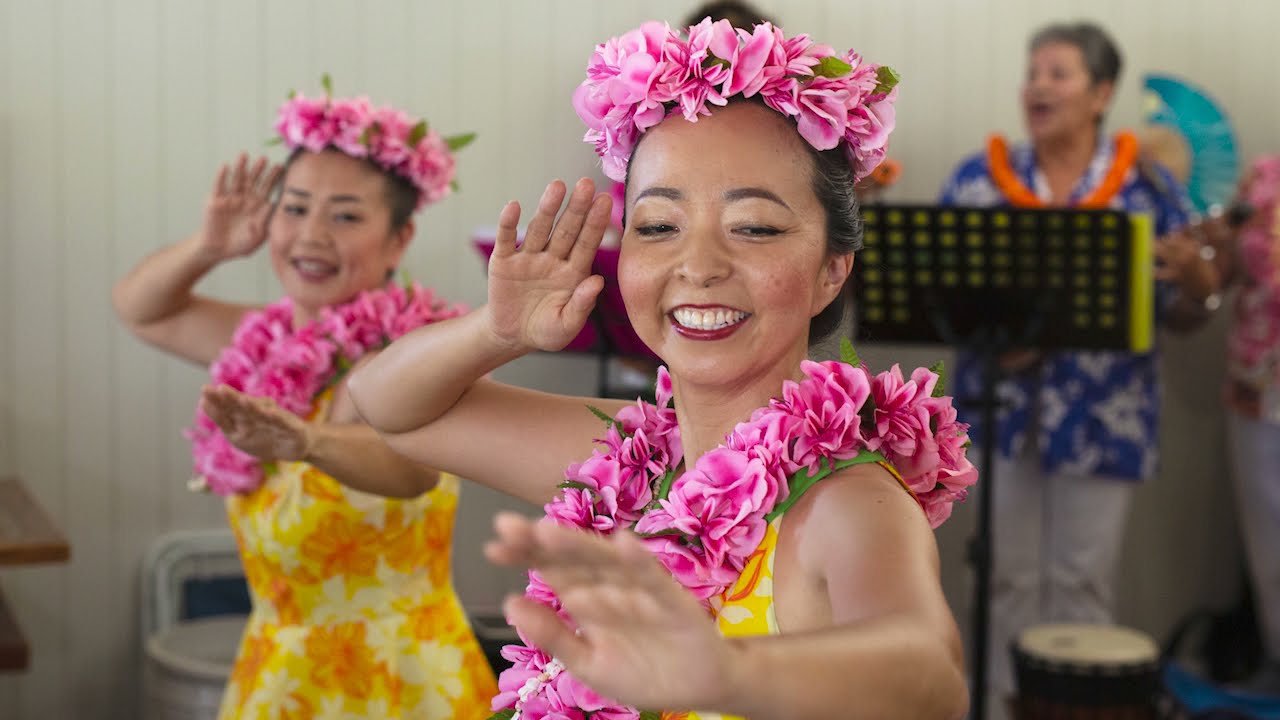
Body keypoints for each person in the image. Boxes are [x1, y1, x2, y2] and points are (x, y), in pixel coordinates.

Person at [350, 19, 973, 720]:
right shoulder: (627, 460)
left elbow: (932, 675)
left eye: (754, 227)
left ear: (832, 270)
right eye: (657, 227)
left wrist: (727, 672)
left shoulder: (847, 503)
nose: (698, 266)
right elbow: (389, 406)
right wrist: (495, 332)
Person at [112, 84, 497, 718]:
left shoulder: (409, 356)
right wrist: (209, 246)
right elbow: (141, 309)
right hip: (279, 671)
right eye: (294, 208)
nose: (312, 235)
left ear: (399, 239)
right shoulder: (261, 343)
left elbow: (412, 470)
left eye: (345, 216)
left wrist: (309, 442)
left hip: (400, 679)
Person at [937, 21, 1221, 717]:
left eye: (1058, 74)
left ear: (1100, 94)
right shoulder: (979, 181)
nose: (1038, 86)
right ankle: (998, 707)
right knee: (1002, 578)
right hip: (1000, 411)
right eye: (1033, 73)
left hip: (1104, 418)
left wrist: (1197, 285)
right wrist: (989, 335)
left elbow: (1184, 313)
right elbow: (933, 295)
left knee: (1081, 583)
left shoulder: (1146, 188)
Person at [1216, 155, 1280, 696]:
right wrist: (1216, 244)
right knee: (1268, 544)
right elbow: (1224, 271)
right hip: (1258, 386)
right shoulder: (1262, 179)